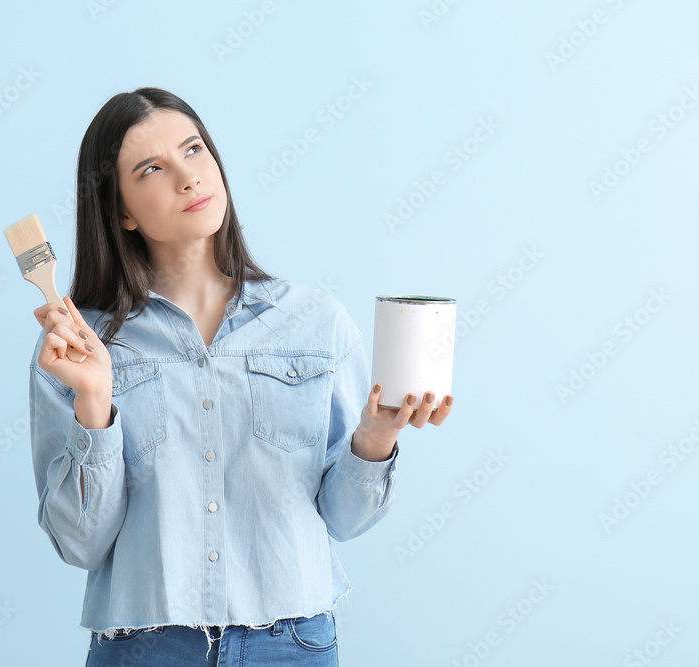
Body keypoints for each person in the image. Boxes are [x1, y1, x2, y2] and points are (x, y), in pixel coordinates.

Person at [27, 87, 455, 666]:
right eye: (152, 168)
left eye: (194, 150)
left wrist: (376, 440)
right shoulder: (78, 349)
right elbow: (81, 543)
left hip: (292, 646)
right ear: (121, 210)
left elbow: (345, 521)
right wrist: (95, 404)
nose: (188, 178)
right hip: (145, 650)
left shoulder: (315, 322)